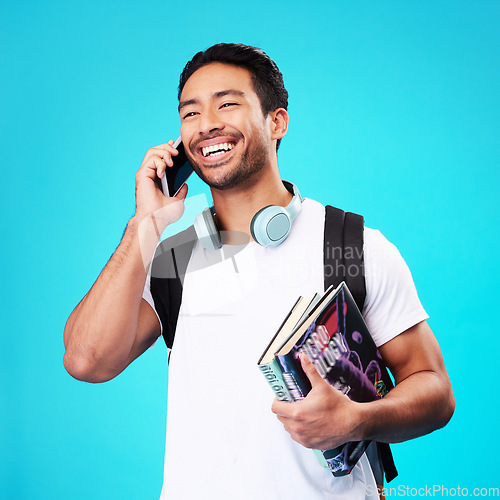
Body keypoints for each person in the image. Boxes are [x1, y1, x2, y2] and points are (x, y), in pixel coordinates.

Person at [64, 43, 454, 499]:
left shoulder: (351, 245)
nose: (206, 124)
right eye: (190, 113)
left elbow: (435, 391)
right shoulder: (172, 257)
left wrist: (358, 419)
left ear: (277, 122)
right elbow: (86, 361)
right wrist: (143, 225)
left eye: (227, 103)